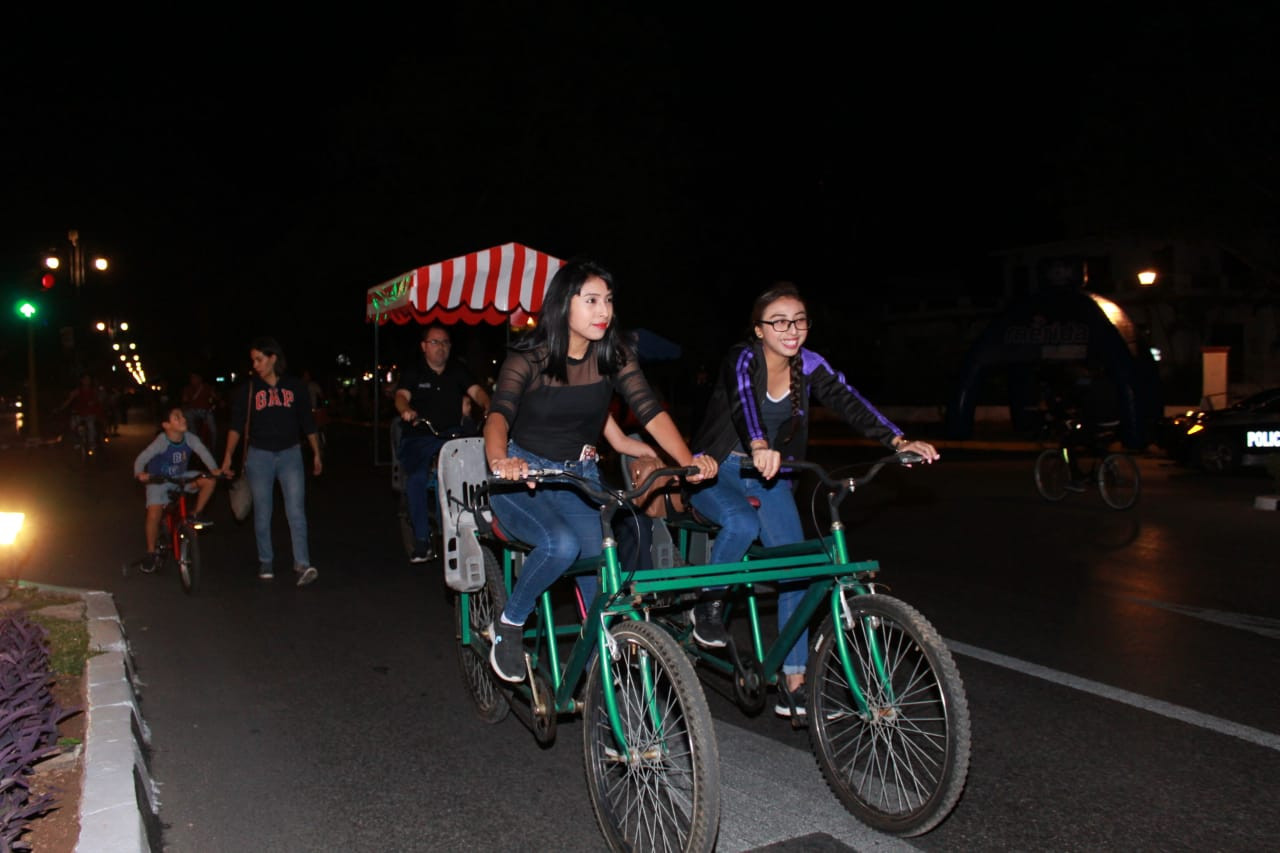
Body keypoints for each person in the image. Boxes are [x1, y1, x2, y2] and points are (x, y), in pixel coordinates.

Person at [688, 283, 940, 717]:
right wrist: (759, 442)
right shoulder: (742, 358)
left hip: (771, 479)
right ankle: (707, 604)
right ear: (759, 329)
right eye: (779, 321)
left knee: (799, 570)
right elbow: (744, 399)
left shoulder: (810, 364)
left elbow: (850, 401)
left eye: (799, 320)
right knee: (742, 526)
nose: (792, 329)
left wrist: (898, 440)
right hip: (719, 468)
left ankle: (794, 680)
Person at [485, 258, 717, 682]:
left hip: (581, 479)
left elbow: (648, 410)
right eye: (591, 300)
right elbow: (498, 415)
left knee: (602, 572)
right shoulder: (530, 357)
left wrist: (686, 463)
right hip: (523, 478)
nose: (604, 311)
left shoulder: (614, 356)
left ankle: (601, 681)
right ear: (563, 305)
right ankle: (510, 623)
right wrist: (502, 460)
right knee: (561, 545)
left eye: (608, 300)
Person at [220, 337, 322, 586]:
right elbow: (236, 426)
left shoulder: (295, 387)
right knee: (263, 511)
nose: (255, 365)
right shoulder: (249, 390)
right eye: (253, 360)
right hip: (259, 456)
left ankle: (302, 563)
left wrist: (316, 452)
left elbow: (307, 423)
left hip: (290, 454)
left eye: (259, 359)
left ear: (273, 358)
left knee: (296, 510)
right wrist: (227, 456)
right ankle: (266, 560)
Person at [395, 324, 491, 563]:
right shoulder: (414, 371)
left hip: (450, 436)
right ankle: (422, 541)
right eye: (435, 342)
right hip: (421, 436)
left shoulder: (457, 370)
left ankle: (471, 530)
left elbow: (477, 390)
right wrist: (405, 410)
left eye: (445, 343)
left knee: (471, 474)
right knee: (417, 478)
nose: (441, 348)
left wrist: (488, 405)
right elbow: (401, 396)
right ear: (424, 346)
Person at [133, 407, 222, 572]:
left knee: (208, 480)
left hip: (181, 477)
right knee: (154, 513)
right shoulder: (161, 441)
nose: (183, 419)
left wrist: (214, 470)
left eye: (182, 416)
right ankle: (151, 552)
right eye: (177, 417)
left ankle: (196, 513)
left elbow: (203, 452)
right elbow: (142, 458)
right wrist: (140, 473)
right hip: (159, 481)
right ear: (166, 425)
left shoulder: (190, 438)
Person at [57, 373, 107, 452]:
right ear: (81, 381)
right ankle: (77, 441)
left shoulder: (94, 391)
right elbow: (69, 400)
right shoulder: (77, 391)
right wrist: (60, 408)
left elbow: (100, 401)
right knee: (73, 425)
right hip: (79, 413)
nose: (86, 381)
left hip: (90, 413)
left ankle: (91, 443)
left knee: (91, 426)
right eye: (85, 379)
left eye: (88, 379)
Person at [181, 371, 219, 454]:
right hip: (193, 411)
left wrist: (216, 399)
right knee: (187, 418)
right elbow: (184, 401)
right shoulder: (188, 389)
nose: (193, 380)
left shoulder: (206, 387)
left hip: (205, 411)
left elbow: (215, 397)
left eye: (195, 378)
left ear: (200, 379)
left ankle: (213, 449)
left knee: (213, 429)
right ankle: (195, 441)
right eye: (192, 378)